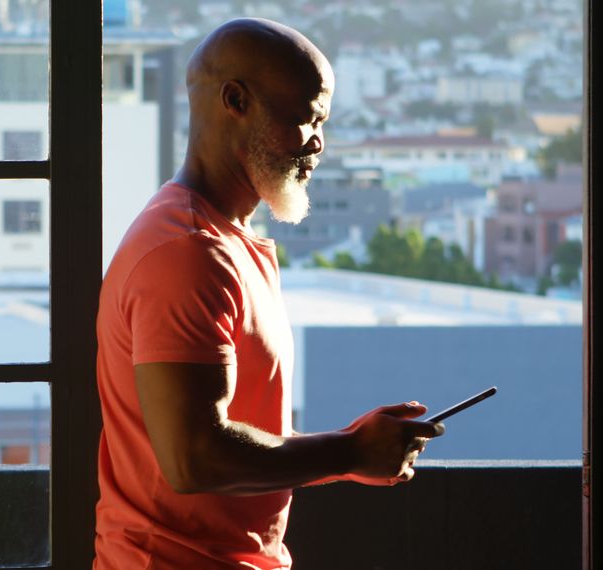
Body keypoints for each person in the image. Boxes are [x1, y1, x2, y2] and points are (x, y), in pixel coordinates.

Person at [93, 18, 445, 569]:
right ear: (235, 100)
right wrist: (351, 450)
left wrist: (353, 448)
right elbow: (195, 460)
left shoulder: (219, 241)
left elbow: (231, 440)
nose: (317, 142)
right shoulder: (186, 252)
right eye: (305, 117)